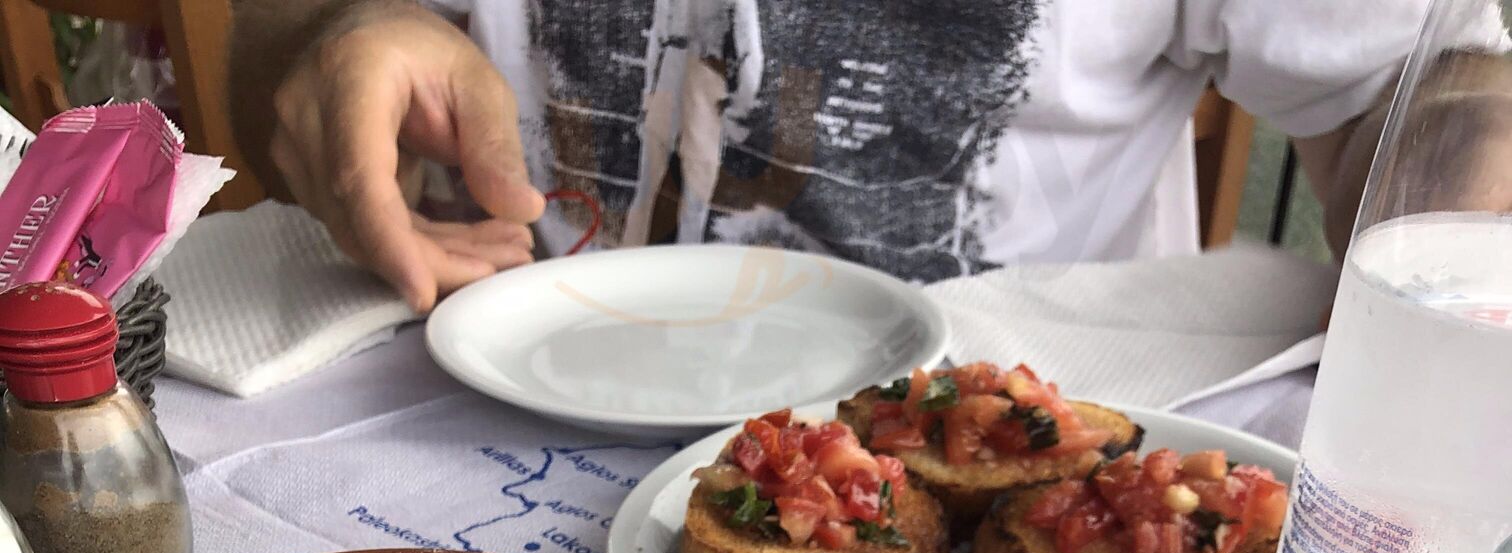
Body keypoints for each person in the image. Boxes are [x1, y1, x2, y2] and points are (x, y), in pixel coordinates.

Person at [230, 0, 1512, 313]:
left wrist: (1466, 240)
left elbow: (1425, 84)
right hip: (473, 409)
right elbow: (275, 53)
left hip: (1019, 476)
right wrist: (331, 41)